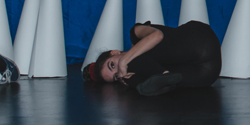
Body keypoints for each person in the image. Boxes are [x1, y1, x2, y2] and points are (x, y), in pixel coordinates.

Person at [82, 20, 220, 96]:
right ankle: (163, 79)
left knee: (134, 60)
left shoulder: (135, 33)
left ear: (114, 52)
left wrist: (124, 61)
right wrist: (131, 80)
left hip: (199, 41)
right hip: (207, 74)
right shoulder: (137, 70)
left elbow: (157, 36)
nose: (119, 70)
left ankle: (164, 75)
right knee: (138, 78)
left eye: (112, 65)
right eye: (116, 76)